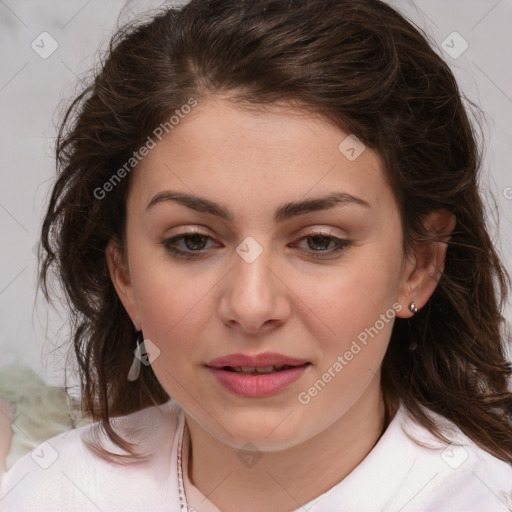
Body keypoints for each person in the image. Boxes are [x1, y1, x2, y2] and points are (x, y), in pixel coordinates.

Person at [1, 0, 511, 510]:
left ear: (418, 266)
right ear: (125, 276)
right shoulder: (48, 494)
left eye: (319, 241)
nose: (250, 306)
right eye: (193, 241)